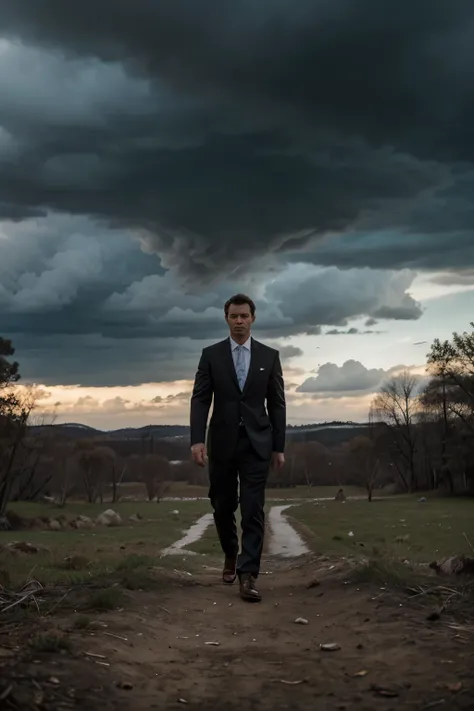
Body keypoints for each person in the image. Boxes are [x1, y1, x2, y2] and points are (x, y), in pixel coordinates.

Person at [190, 293, 286, 602]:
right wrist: (196, 439)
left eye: (245, 316)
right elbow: (201, 398)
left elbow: (278, 403)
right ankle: (231, 552)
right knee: (222, 506)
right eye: (234, 316)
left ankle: (248, 575)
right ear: (227, 319)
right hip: (222, 443)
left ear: (253, 318)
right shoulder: (211, 355)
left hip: (258, 444)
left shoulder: (269, 357)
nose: (240, 321)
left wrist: (278, 446)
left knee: (253, 510)